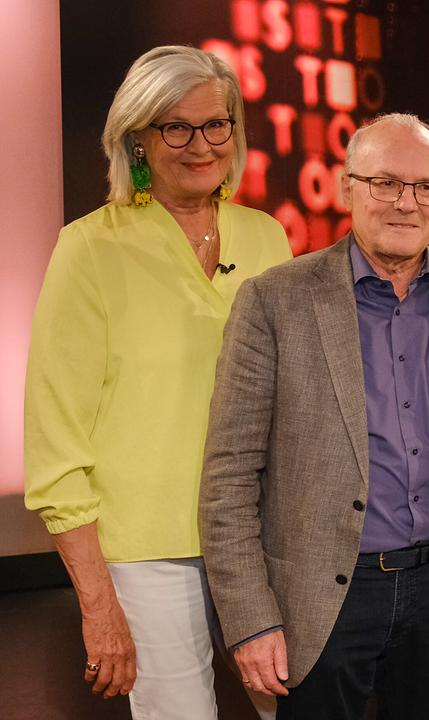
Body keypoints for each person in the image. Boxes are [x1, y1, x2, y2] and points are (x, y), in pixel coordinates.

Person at [199, 113, 429, 720]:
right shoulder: (275, 300)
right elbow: (228, 478)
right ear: (347, 187)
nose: (407, 203)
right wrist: (249, 620)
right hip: (323, 595)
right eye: (386, 183)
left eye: (426, 187)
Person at [23, 46, 292, 718]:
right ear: (138, 139)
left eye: (216, 124)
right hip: (146, 553)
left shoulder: (268, 238)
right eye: (176, 127)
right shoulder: (90, 247)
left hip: (259, 539)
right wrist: (97, 603)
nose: (200, 145)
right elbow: (56, 442)